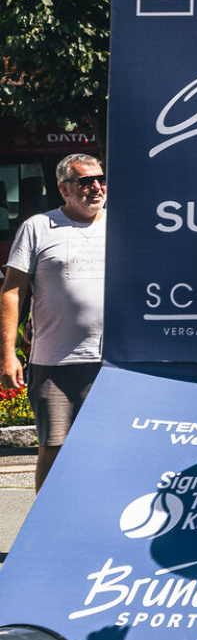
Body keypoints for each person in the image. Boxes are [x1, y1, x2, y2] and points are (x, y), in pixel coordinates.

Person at [0, 152, 106, 490]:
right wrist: (8, 354)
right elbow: (12, 291)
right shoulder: (38, 227)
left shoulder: (121, 225)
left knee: (103, 449)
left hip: (111, 363)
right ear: (64, 189)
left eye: (100, 179)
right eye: (85, 181)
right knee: (54, 447)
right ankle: (44, 534)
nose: (96, 187)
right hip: (55, 361)